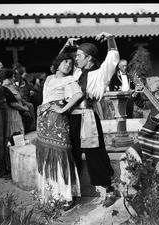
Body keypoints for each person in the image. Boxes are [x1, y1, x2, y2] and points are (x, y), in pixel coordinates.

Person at [60, 31, 120, 207]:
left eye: (79, 56)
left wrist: (110, 38)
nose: (75, 58)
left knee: (96, 154)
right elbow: (58, 65)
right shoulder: (76, 73)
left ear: (89, 58)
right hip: (72, 117)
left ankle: (110, 190)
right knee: (72, 155)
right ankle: (70, 195)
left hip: (88, 118)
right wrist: (67, 45)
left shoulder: (101, 74)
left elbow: (113, 58)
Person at [35, 52, 83, 211]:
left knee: (60, 155)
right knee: (46, 157)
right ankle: (48, 196)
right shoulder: (49, 78)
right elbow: (44, 98)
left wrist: (63, 109)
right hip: (43, 118)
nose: (68, 65)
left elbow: (78, 95)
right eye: (65, 61)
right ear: (58, 62)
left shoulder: (69, 79)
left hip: (58, 119)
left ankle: (63, 197)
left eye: (70, 63)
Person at [12, 64, 36, 133]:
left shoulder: (26, 82)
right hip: (20, 102)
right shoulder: (14, 84)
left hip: (26, 102)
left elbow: (33, 89)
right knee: (30, 106)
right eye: (24, 71)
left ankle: (32, 125)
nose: (26, 73)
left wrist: (32, 91)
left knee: (31, 105)